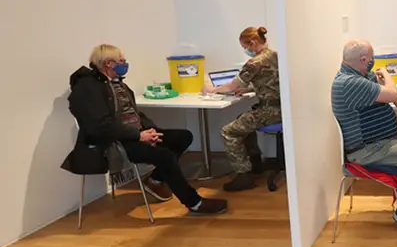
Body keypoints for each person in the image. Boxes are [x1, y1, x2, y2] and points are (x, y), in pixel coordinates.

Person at [67, 44, 227, 215]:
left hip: (135, 134)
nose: (125, 63)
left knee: (183, 137)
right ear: (108, 63)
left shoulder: (117, 84)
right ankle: (194, 203)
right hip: (115, 143)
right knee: (164, 156)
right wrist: (138, 135)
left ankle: (155, 180)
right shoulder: (88, 89)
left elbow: (134, 113)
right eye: (121, 61)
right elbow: (100, 127)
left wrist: (151, 131)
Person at [332, 39, 397, 232]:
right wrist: (389, 76)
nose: (374, 61)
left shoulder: (361, 75)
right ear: (364, 60)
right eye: (372, 58)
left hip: (385, 141)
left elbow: (396, 95)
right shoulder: (350, 83)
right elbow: (392, 93)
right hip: (367, 150)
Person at [204, 26, 281, 192]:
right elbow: (272, 82)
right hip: (283, 108)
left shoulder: (254, 63)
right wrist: (249, 89)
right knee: (242, 117)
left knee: (228, 131)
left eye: (245, 47)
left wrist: (212, 90)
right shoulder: (274, 55)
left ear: (252, 43)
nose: (246, 51)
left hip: (269, 112)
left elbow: (232, 85)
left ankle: (243, 175)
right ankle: (255, 164)